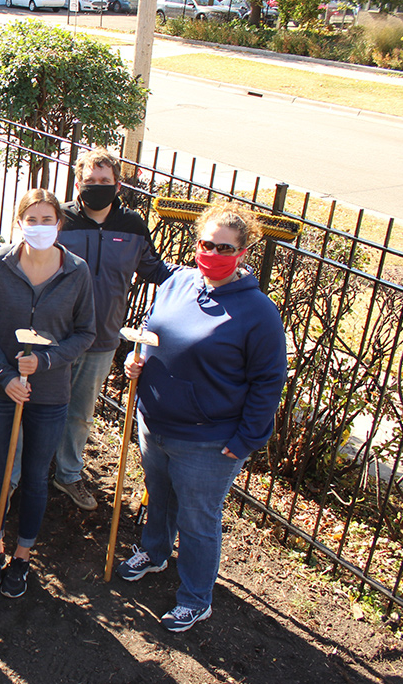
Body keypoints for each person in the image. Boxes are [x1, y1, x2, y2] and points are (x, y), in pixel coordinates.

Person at [117, 203, 286, 632]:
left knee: (197, 520)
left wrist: (247, 439)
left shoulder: (259, 312)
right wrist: (136, 365)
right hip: (156, 423)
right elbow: (154, 335)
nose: (213, 252)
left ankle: (196, 597)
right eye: (207, 244)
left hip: (209, 439)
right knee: (160, 498)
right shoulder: (176, 283)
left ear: (243, 252)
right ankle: (154, 553)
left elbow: (269, 382)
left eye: (225, 247)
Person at [0, 189, 95, 598]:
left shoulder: (76, 272)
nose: (40, 226)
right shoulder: (0, 264)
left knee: (37, 476)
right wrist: (3, 374)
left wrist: (47, 362)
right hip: (0, 389)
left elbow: (86, 333)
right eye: (32, 219)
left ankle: (22, 556)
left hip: (50, 393)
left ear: (60, 224)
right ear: (19, 222)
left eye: (48, 219)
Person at [53, 148, 176, 511]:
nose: (97, 187)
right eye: (90, 182)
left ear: (117, 185)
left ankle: (68, 474)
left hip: (101, 337)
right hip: (55, 333)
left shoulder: (132, 226)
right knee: (43, 406)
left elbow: (155, 270)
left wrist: (198, 276)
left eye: (104, 181)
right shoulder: (62, 219)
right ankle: (27, 471)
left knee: (79, 411)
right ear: (78, 184)